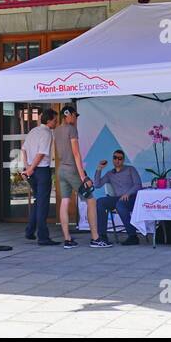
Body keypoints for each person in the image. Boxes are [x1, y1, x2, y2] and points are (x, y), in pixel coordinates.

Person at [52, 106, 110, 249]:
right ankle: (95, 238)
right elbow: (76, 154)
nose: (76, 118)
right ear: (68, 115)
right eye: (75, 116)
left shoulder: (57, 130)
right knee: (91, 201)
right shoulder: (71, 129)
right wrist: (83, 177)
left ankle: (67, 239)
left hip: (61, 170)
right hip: (72, 170)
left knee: (65, 202)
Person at [21, 108, 58, 246]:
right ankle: (43, 237)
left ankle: (30, 230)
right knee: (43, 204)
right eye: (55, 120)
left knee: (38, 201)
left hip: (32, 170)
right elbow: (41, 154)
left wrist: (27, 167)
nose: (56, 122)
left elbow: (23, 149)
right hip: (41, 170)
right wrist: (30, 169)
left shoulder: (33, 131)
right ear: (48, 121)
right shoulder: (47, 133)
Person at [93, 149, 143, 245]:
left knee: (120, 204)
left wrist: (128, 194)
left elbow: (138, 185)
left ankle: (133, 236)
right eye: (115, 158)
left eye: (120, 158)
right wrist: (99, 169)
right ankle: (102, 235)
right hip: (118, 198)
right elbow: (97, 184)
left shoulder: (130, 169)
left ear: (123, 160)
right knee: (100, 201)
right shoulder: (110, 173)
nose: (117, 160)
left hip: (132, 198)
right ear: (112, 159)